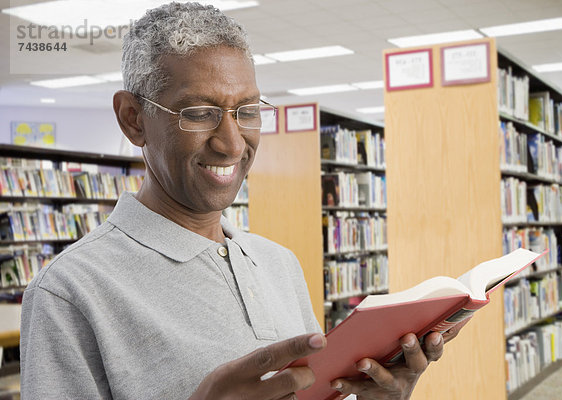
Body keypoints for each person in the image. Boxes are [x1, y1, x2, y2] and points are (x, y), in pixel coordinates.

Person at [20, 3, 464, 399]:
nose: (232, 144)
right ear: (134, 120)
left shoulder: (279, 263)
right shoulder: (69, 292)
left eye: (247, 111)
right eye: (199, 113)